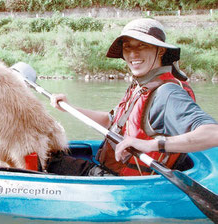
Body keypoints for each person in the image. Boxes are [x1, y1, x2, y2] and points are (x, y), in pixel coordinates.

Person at [48, 18, 218, 176]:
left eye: (142, 45)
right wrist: (69, 108)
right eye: (128, 46)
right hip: (107, 171)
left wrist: (150, 145)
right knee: (48, 156)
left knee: (44, 163)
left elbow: (213, 133)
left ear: (161, 51)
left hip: (121, 184)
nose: (133, 54)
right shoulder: (142, 86)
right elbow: (111, 121)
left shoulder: (167, 94)